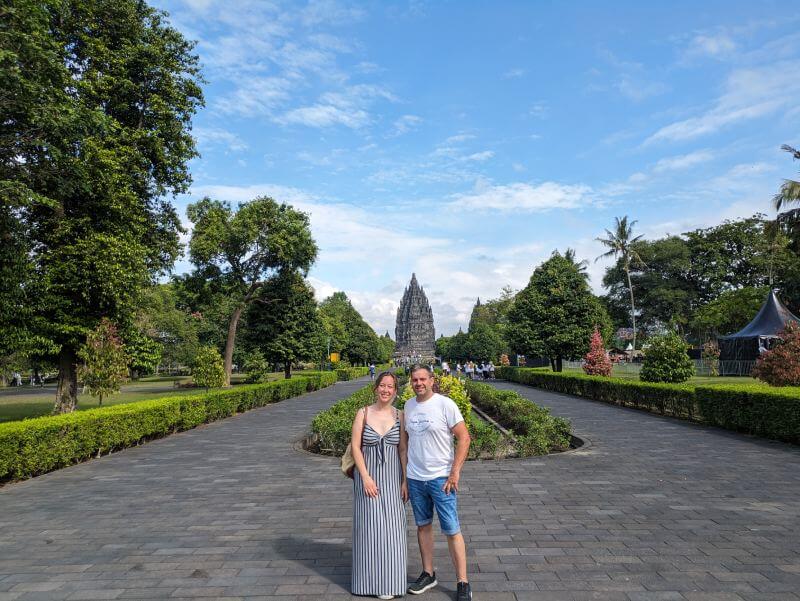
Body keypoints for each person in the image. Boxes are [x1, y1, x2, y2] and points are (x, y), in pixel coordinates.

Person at [404, 365, 472, 601]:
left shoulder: (445, 404)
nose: (419, 383)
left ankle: (462, 581)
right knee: (422, 525)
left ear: (432, 380)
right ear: (411, 382)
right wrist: (405, 478)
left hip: (441, 478)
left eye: (423, 379)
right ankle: (428, 573)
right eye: (415, 379)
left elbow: (464, 437)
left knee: (452, 529)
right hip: (416, 477)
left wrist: (455, 472)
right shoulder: (408, 406)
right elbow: (406, 445)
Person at [351, 371, 408, 599]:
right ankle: (367, 583)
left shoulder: (400, 415)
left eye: (390, 386)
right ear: (376, 388)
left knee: (394, 530)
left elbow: (402, 449)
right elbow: (356, 447)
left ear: (395, 391)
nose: (386, 390)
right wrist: (365, 477)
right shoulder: (363, 413)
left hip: (393, 477)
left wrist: (405, 480)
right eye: (382, 386)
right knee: (371, 529)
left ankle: (391, 583)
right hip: (368, 476)